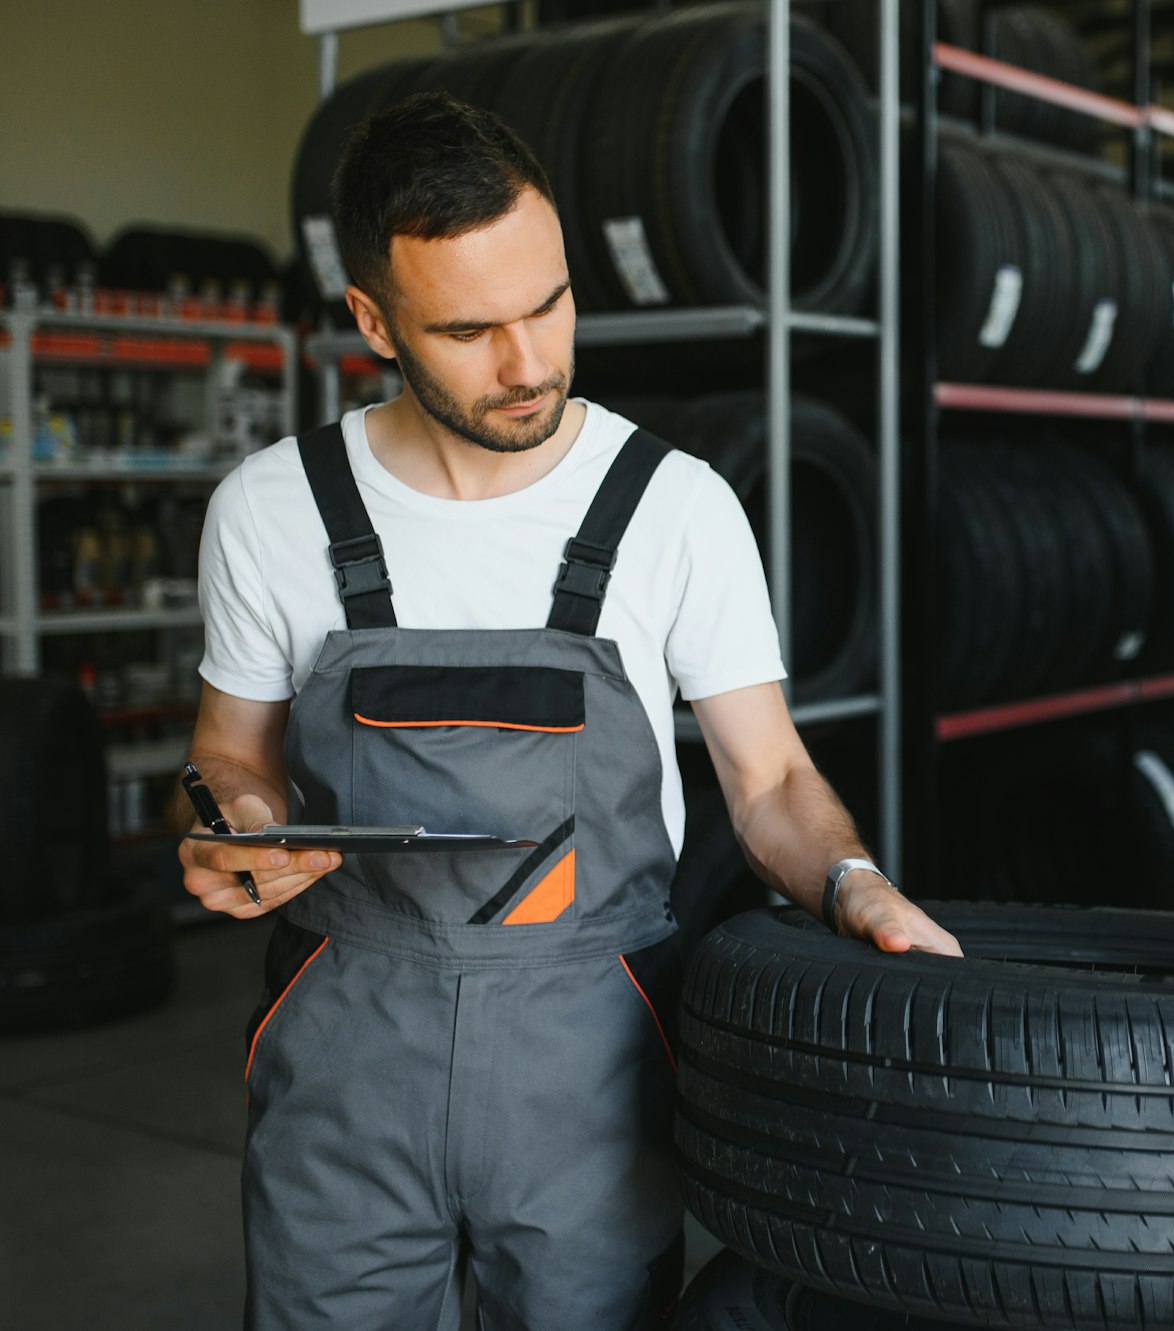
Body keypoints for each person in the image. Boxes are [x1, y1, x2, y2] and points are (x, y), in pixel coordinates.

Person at [179, 91, 961, 1329]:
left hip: (589, 1064)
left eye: (548, 303)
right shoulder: (273, 508)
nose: (528, 363)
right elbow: (229, 753)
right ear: (374, 321)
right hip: (345, 1053)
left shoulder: (674, 506)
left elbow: (768, 785)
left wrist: (853, 878)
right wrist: (236, 819)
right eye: (471, 328)